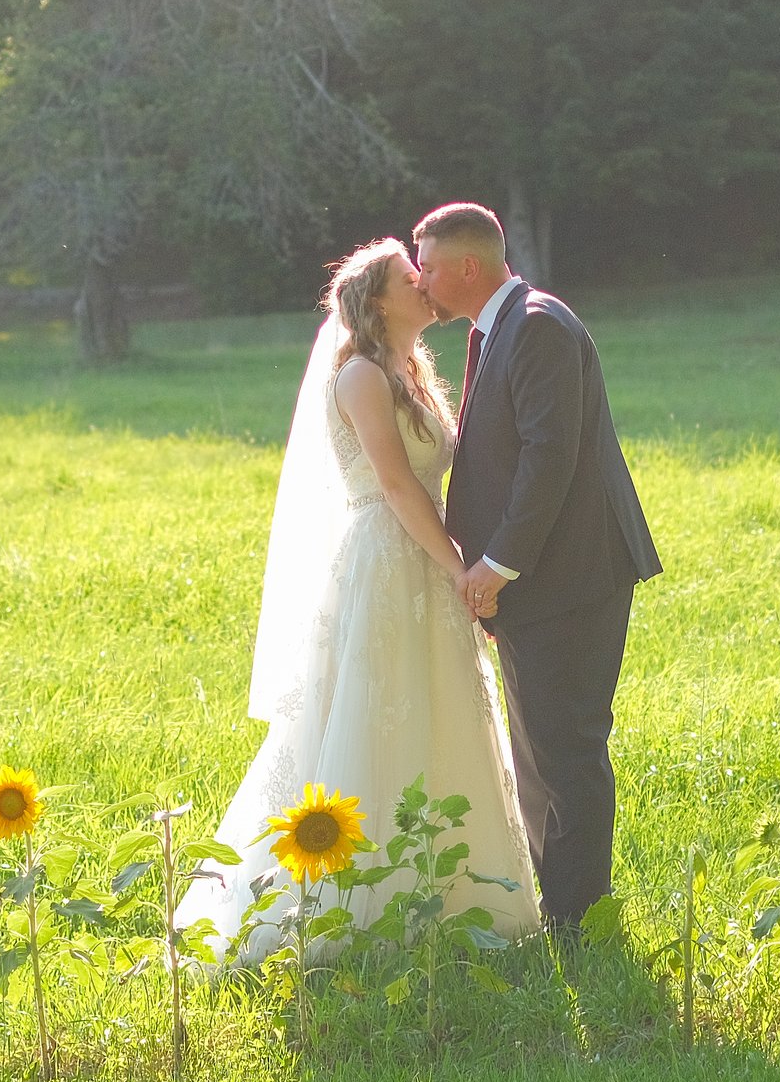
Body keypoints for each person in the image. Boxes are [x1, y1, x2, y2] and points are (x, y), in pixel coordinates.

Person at [178, 238, 539, 960]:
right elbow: (400, 485)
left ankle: (457, 896)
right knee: (377, 713)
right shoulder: (360, 376)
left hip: (427, 559)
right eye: (413, 276)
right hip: (386, 560)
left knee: (439, 709)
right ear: (379, 299)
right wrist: (463, 568)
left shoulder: (411, 370)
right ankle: (351, 908)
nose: (426, 281)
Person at [413, 201, 661, 936]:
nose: (420, 280)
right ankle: (559, 904)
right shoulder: (502, 325)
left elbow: (549, 457)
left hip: (571, 576)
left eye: (426, 265)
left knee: (567, 746)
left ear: (466, 266)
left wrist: (496, 563)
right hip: (539, 582)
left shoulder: (539, 324)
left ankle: (581, 919)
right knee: (540, 749)